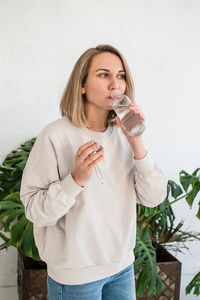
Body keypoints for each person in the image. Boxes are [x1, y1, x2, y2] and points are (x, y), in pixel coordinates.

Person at [20, 44, 168, 300]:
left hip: (122, 269)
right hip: (75, 279)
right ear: (82, 85)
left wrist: (137, 142)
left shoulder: (126, 135)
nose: (115, 84)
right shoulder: (55, 136)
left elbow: (153, 197)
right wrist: (75, 180)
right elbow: (35, 211)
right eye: (103, 74)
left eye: (120, 75)